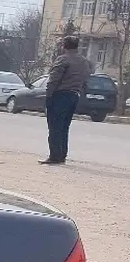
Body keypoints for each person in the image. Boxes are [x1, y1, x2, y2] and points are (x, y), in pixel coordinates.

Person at [42, 35, 90, 165]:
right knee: (64, 127)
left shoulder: (63, 59)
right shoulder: (83, 61)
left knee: (55, 126)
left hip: (60, 95)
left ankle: (54, 156)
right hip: (74, 95)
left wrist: (48, 96)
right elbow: (85, 78)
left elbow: (54, 79)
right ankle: (62, 155)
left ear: (64, 46)